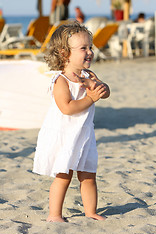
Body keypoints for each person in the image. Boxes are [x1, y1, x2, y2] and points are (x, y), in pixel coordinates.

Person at [33, 21, 110, 223]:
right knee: (64, 175)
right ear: (64, 53)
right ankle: (55, 214)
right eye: (83, 48)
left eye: (90, 47)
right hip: (64, 135)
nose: (90, 52)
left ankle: (90, 211)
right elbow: (66, 107)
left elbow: (105, 93)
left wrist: (99, 86)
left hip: (84, 134)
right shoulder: (61, 80)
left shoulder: (89, 75)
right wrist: (90, 98)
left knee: (88, 175)